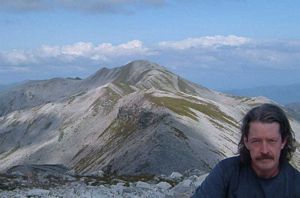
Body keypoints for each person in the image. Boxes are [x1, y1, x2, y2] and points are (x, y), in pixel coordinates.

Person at [191, 103, 300, 198]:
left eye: (272, 141)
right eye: (256, 141)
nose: (264, 150)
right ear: (246, 141)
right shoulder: (226, 172)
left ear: (283, 142)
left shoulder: (296, 184)